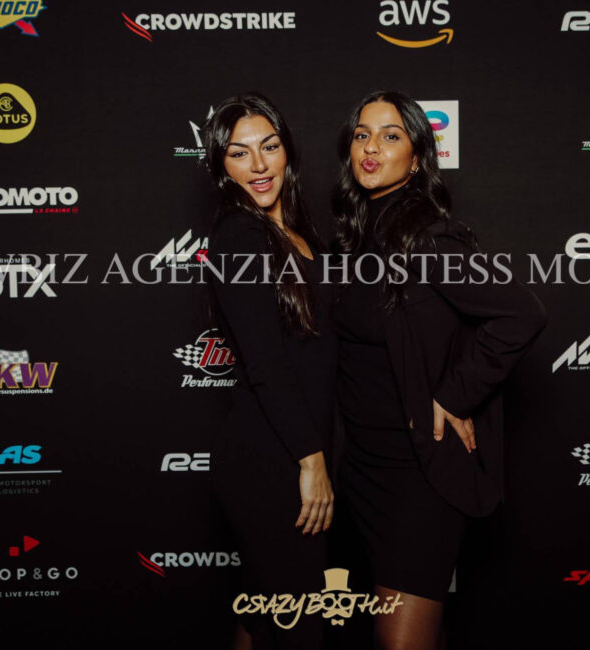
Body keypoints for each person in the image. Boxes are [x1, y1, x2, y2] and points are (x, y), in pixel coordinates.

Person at [330, 90, 547, 650]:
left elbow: (521, 313)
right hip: (359, 467)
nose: (371, 148)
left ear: (418, 157)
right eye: (362, 135)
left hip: (416, 474)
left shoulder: (429, 236)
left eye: (391, 136)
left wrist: (454, 395)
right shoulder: (352, 236)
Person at [201, 92, 337, 650]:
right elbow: (265, 360)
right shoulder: (240, 233)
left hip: (293, 449)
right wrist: (311, 461)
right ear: (221, 165)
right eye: (239, 153)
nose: (259, 165)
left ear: (288, 151)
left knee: (265, 613)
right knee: (294, 621)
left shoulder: (300, 232)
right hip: (272, 460)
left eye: (270, 147)